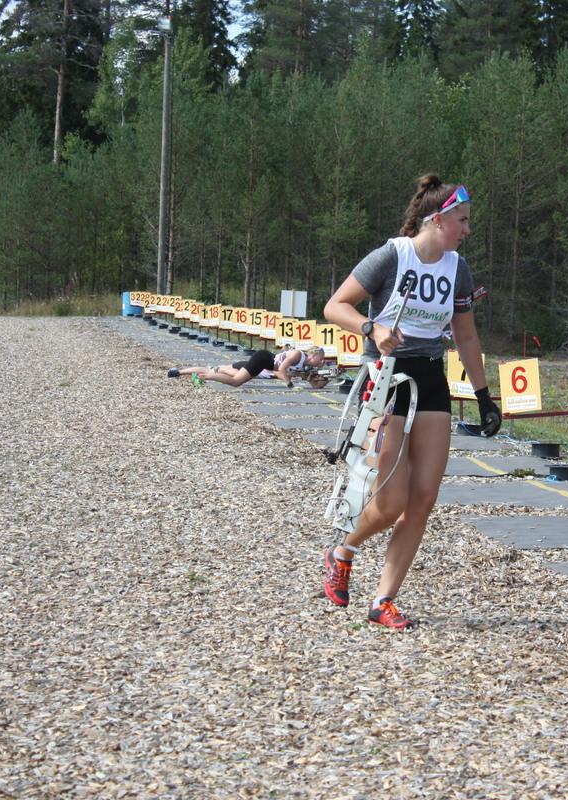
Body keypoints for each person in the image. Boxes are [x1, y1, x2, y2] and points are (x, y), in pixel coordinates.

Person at [320, 174, 501, 630]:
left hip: (431, 377)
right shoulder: (392, 255)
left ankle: (383, 600)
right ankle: (343, 551)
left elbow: (466, 335)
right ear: (437, 220)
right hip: (387, 377)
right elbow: (335, 306)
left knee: (422, 500)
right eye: (462, 221)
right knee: (391, 500)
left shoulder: (458, 268)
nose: (467, 230)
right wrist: (372, 328)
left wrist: (484, 396)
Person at [167, 346, 325, 387]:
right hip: (263, 361)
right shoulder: (298, 355)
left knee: (218, 371)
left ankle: (178, 372)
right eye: (321, 358)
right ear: (314, 355)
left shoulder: (303, 365)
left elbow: (314, 384)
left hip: (261, 364)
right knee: (235, 381)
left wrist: (321, 379)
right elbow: (281, 370)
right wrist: (290, 384)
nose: (322, 361)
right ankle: (205, 376)